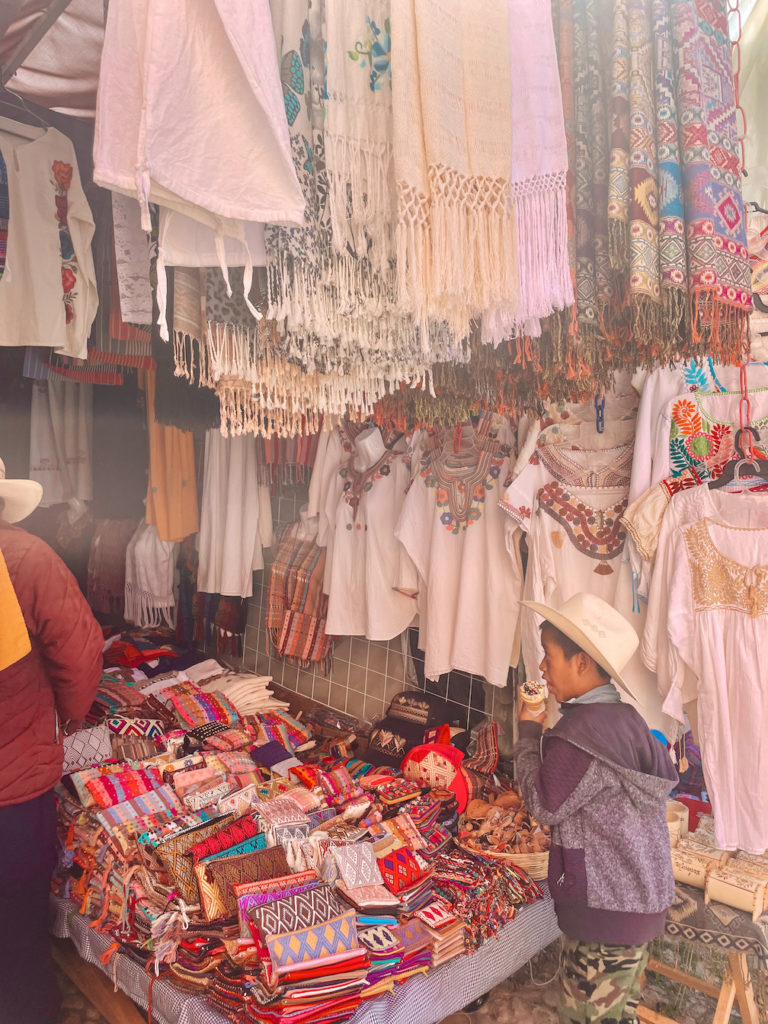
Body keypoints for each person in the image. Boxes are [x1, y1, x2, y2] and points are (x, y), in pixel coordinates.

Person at [513, 593, 676, 1024]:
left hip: (606, 911)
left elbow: (544, 804)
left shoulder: (579, 733)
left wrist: (528, 732)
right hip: (640, 901)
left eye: (549, 656)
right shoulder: (627, 720)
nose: (542, 668)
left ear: (581, 663)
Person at [0, 458, 103, 1024]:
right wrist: (65, 718)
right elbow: (81, 657)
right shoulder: (28, 558)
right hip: (14, 789)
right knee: (16, 931)